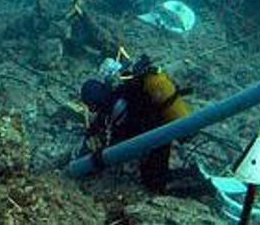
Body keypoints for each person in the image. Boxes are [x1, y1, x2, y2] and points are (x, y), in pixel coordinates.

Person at [80, 55, 192, 193]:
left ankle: (196, 184)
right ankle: (187, 178)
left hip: (157, 135)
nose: (93, 110)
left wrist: (100, 156)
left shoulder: (117, 106)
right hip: (157, 131)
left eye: (92, 107)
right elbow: (104, 122)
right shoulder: (120, 94)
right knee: (153, 175)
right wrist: (93, 133)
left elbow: (122, 138)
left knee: (154, 182)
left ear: (94, 105)